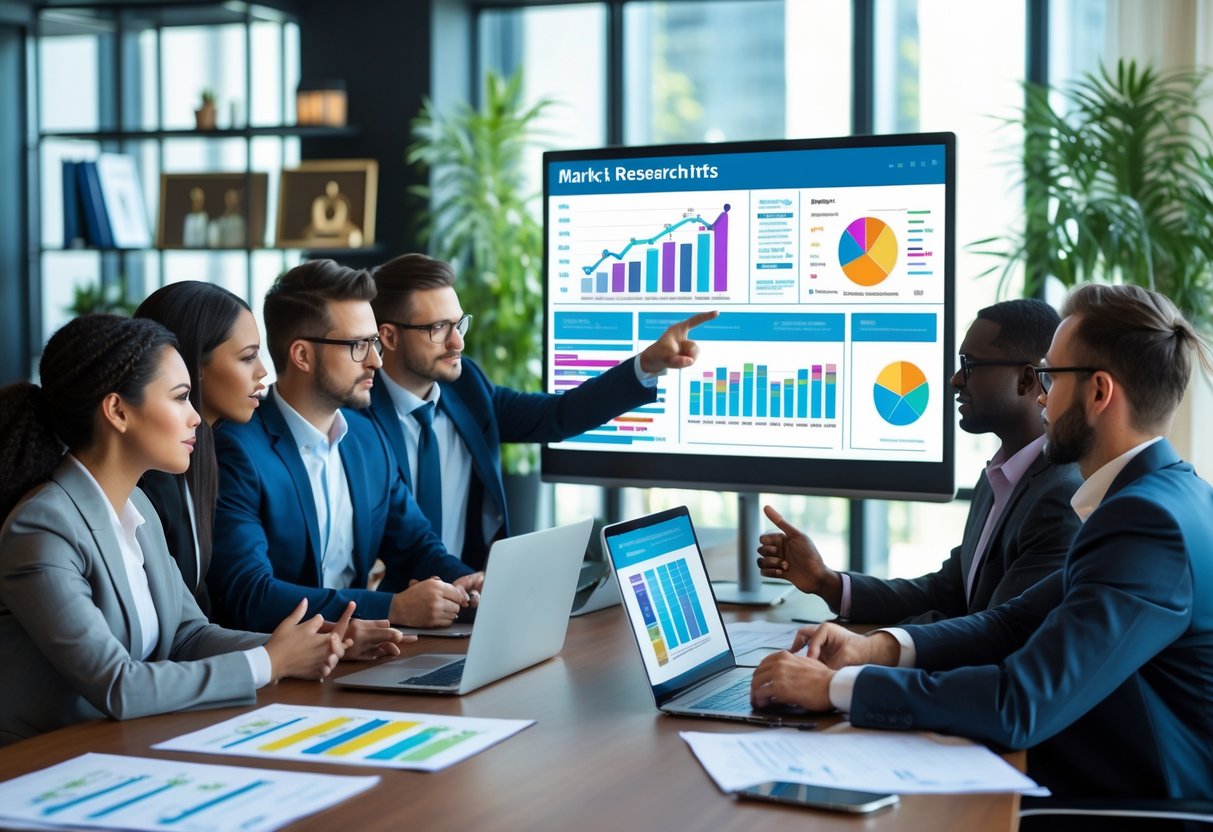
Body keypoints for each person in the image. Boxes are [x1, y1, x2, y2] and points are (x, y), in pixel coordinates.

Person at [750, 284, 1213, 802]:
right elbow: (1013, 619)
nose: (1041, 396)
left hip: (1132, 805)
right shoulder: (1161, 496)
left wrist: (833, 689)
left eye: (1049, 377)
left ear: (1099, 392)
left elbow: (1020, 703)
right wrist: (870, 648)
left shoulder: (1147, 523)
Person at [0, 314, 349, 745]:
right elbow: (119, 685)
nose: (196, 419)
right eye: (181, 398)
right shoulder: (42, 527)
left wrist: (313, 641)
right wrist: (269, 663)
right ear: (118, 411)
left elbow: (188, 635)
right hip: (38, 764)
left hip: (123, 746)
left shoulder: (137, 505)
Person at [367, 252, 717, 567]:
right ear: (390, 337)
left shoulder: (466, 386)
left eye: (458, 324)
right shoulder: (356, 419)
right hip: (394, 614)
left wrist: (646, 365)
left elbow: (557, 415)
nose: (458, 341)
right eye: (437, 328)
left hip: (472, 599)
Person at [758, 299, 1081, 624]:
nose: (955, 380)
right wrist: (825, 582)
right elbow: (948, 591)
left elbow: (997, 634)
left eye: (969, 365)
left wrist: (871, 649)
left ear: (1026, 380)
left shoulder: (1059, 497)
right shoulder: (999, 478)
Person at [133, 281, 408, 662]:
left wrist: (323, 641)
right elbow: (231, 606)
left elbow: (191, 631)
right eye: (247, 357)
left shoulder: (202, 457)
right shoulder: (162, 479)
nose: (264, 370)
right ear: (191, 365)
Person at [209, 260, 483, 633]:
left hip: (364, 655)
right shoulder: (238, 450)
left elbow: (417, 546)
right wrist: (392, 607)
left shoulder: (367, 437)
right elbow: (250, 595)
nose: (375, 360)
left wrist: (469, 584)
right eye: (358, 345)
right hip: (280, 672)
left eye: (373, 343)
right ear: (302, 355)